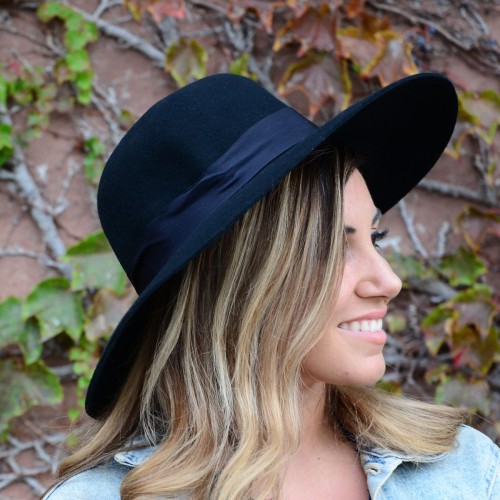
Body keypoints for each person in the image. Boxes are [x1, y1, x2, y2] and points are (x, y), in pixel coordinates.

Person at [43, 73, 499, 499]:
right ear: (236, 282)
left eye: (375, 238)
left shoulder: (461, 471)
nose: (389, 281)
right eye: (332, 247)